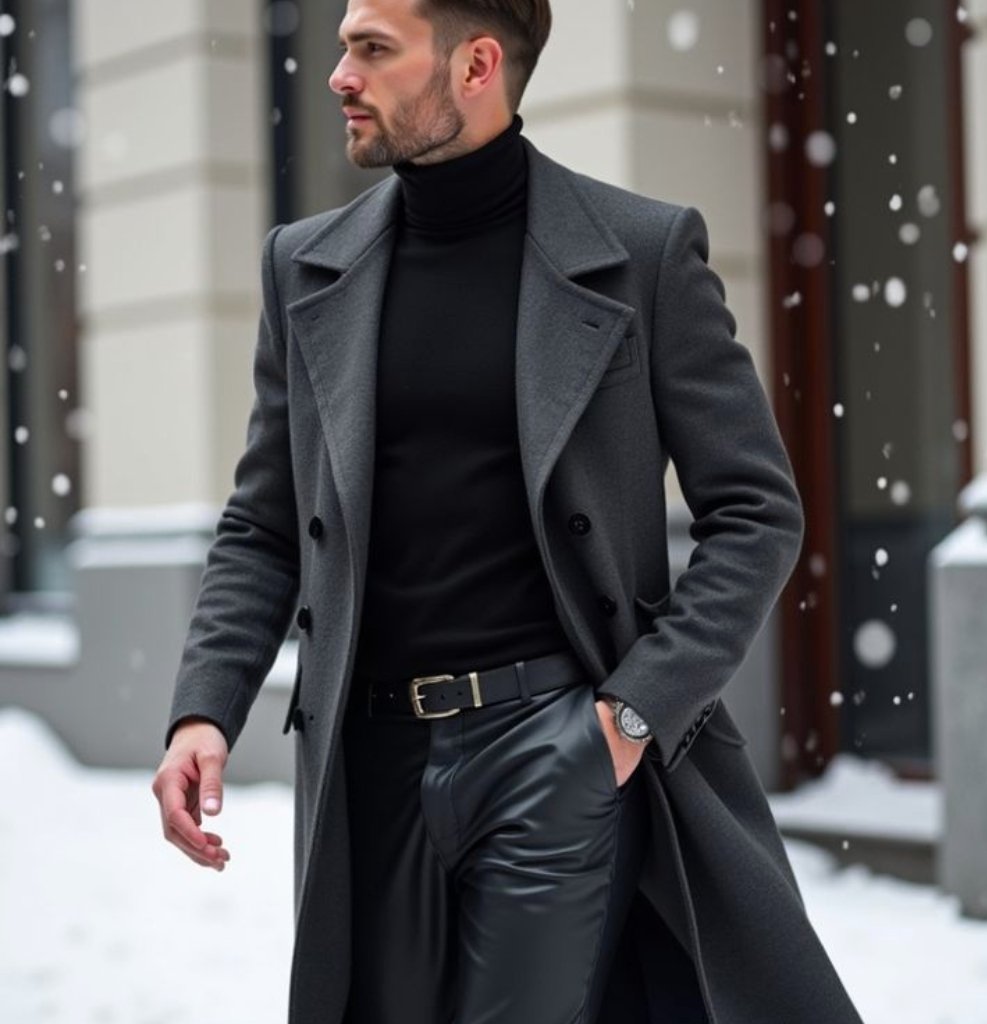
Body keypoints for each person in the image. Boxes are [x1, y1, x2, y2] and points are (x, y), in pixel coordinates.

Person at [152, 2, 867, 1023]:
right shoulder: (306, 265)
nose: (337, 75)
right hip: (371, 761)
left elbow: (755, 511)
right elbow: (269, 521)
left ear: (477, 63)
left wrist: (627, 718)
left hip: (554, 747)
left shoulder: (641, 251)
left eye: (371, 49)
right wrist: (202, 706)